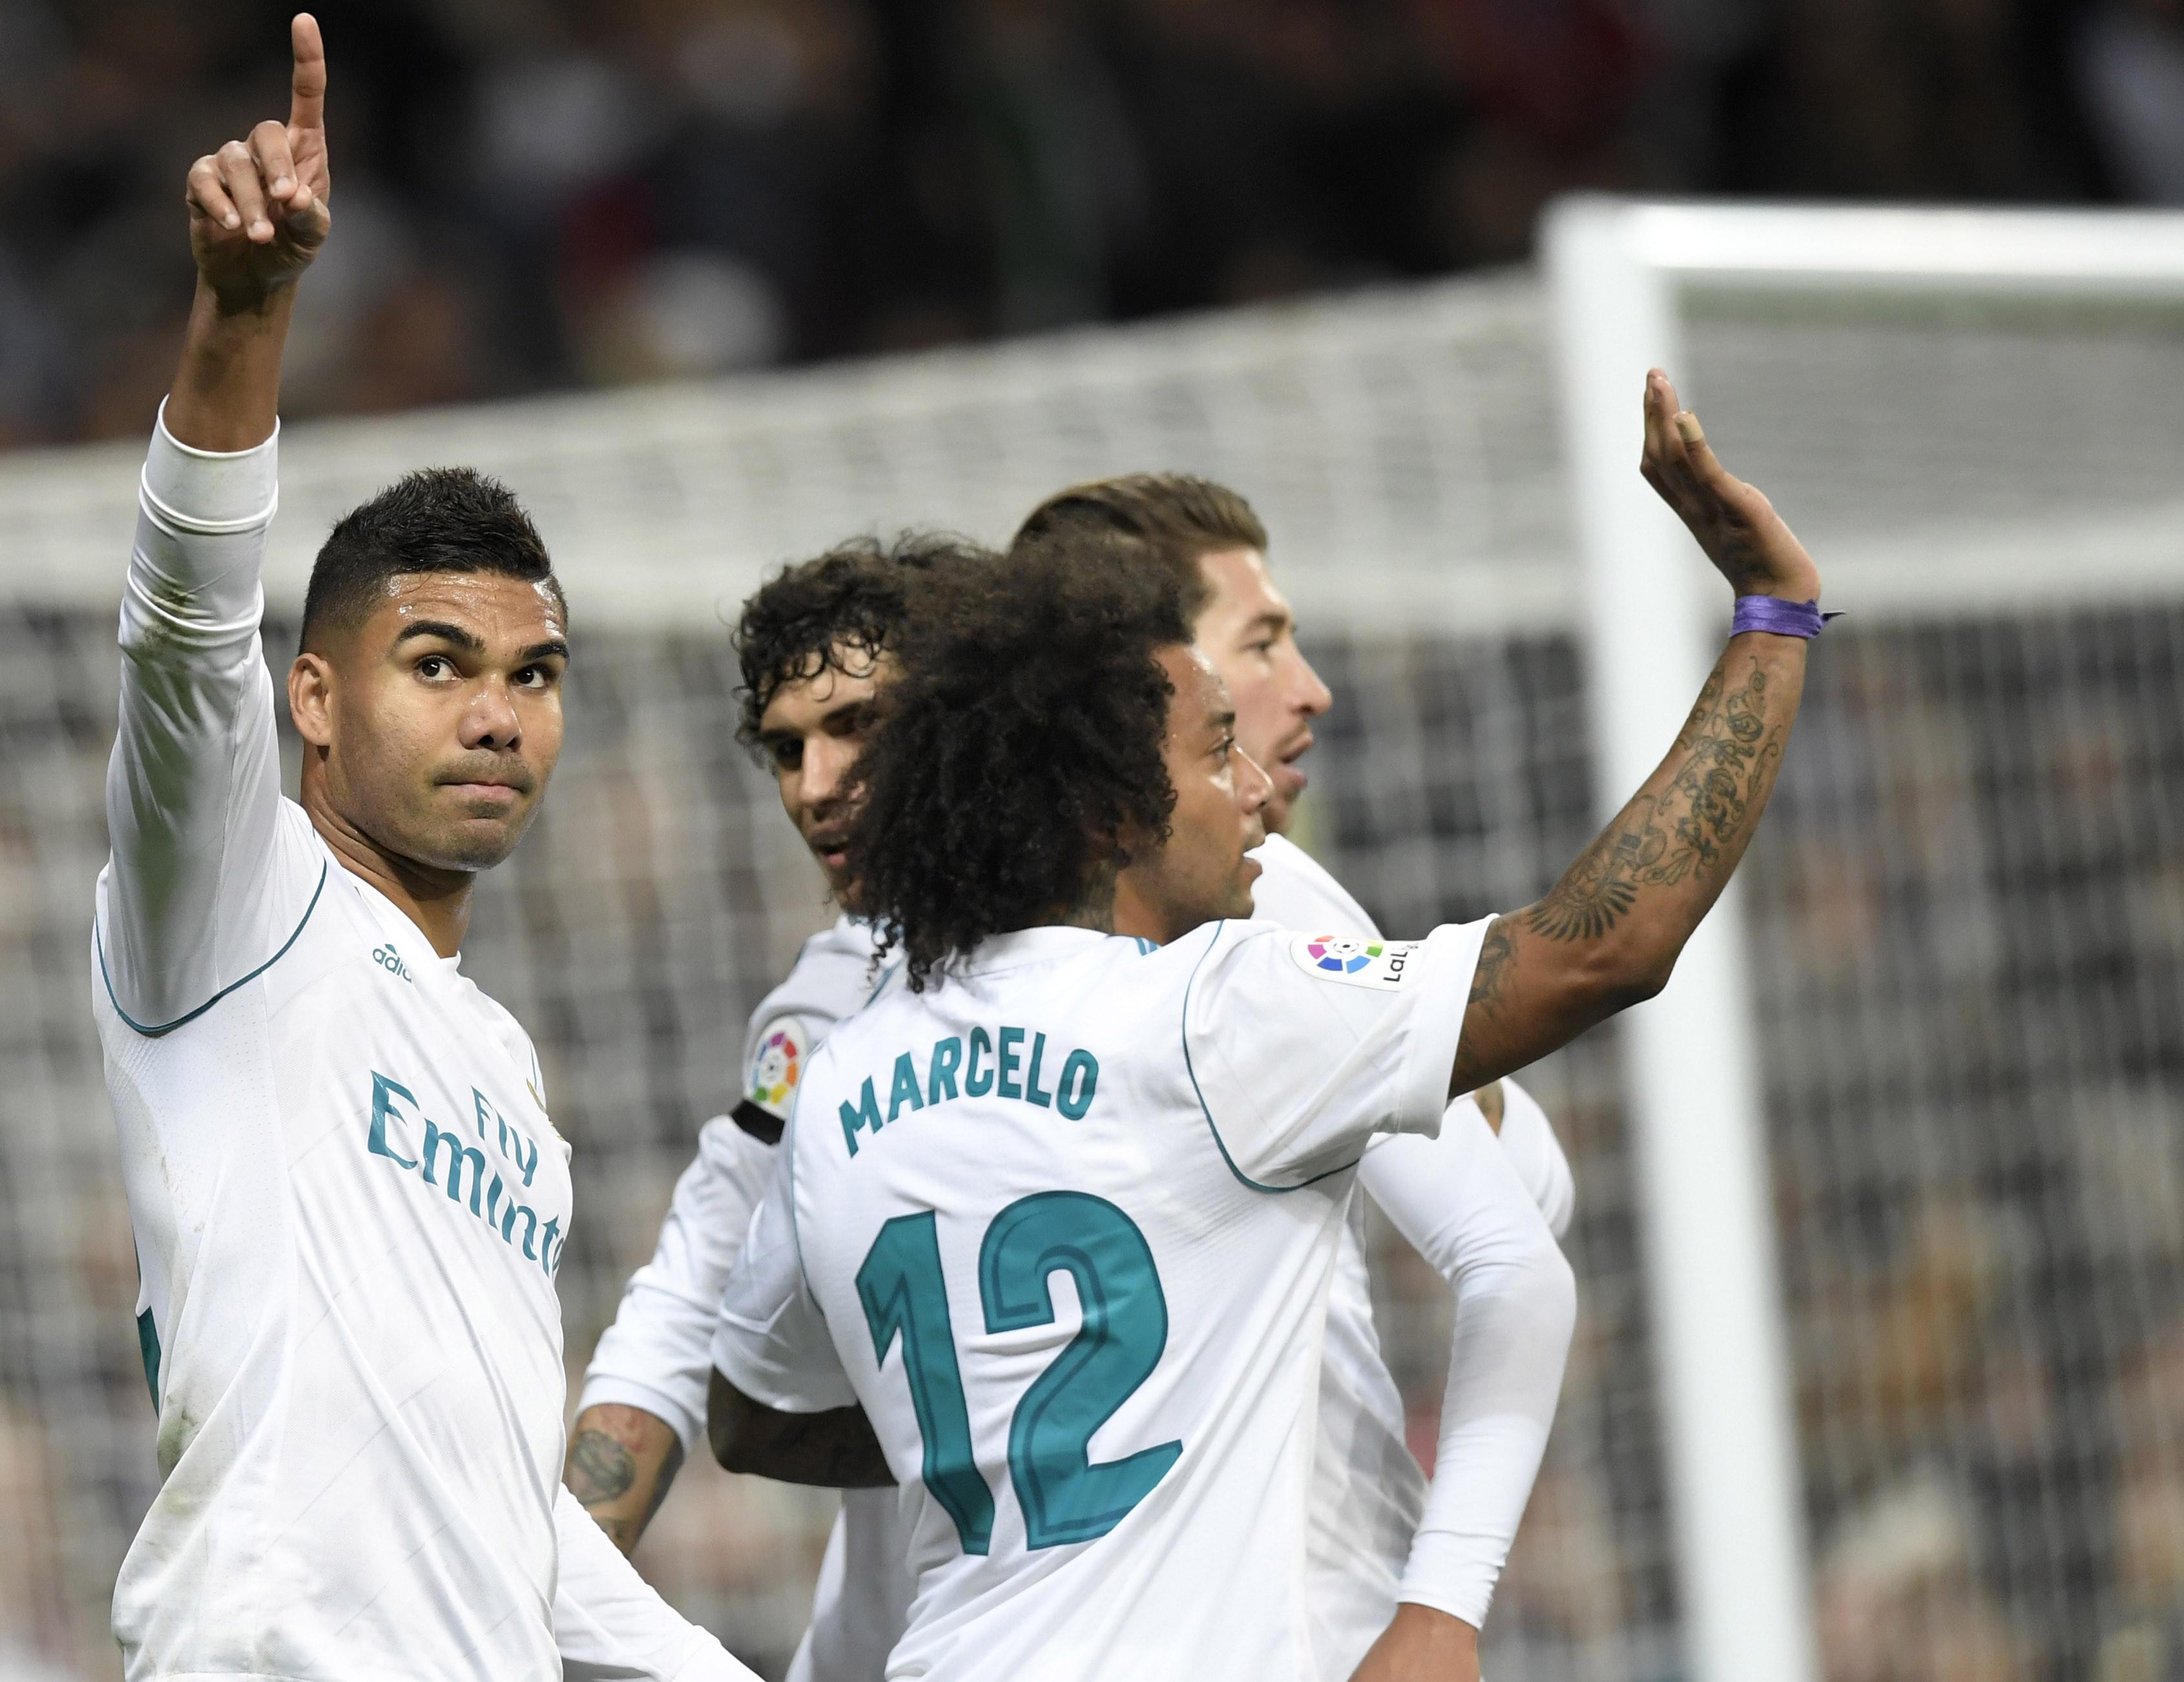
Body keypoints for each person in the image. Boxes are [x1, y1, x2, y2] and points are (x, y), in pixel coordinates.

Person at [707, 373, 1823, 1680]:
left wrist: (1010, 1421)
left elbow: (753, 1415)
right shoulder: (1211, 1010)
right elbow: (1604, 948)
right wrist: (1771, 614)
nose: (1250, 791)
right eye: (1211, 751)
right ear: (1107, 805)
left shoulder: (839, 1077)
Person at [90, 17, 747, 1679]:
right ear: (311, 701)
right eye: (438, 666)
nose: (498, 717)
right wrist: (244, 319)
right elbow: (182, 628)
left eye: (533, 676)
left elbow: (506, 1534)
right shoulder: (235, 905)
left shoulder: (505, 1081)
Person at [1012, 475, 1577, 1681]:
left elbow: (1519, 1235)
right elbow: (1524, 1237)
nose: (1307, 687)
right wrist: (1441, 1610)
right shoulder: (1251, 912)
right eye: (1259, 644)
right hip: (1298, 1626)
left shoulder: (957, 959)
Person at [570, 536, 973, 1682]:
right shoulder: (820, 1008)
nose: (812, 785)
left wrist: (1440, 1592)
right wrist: (526, 1610)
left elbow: (1504, 1231)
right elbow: (688, 1294)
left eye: (859, 726)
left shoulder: (1162, 947)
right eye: (787, 748)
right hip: (896, 1644)